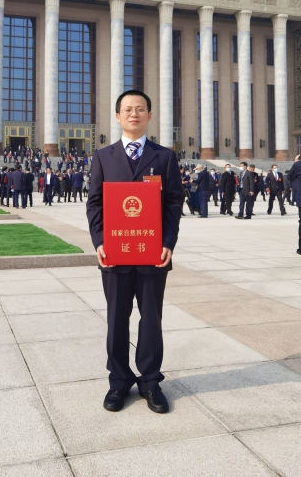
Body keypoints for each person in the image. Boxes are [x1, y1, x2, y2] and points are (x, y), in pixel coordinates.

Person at [86, 89, 183, 414]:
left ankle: (150, 382)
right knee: (116, 318)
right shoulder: (103, 157)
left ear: (149, 116)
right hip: (114, 254)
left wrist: (168, 242)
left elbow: (174, 202)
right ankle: (118, 381)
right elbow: (95, 204)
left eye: (140, 109)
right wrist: (100, 241)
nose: (134, 114)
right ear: (118, 116)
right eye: (127, 109)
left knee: (151, 318)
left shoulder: (164, 157)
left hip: (152, 253)